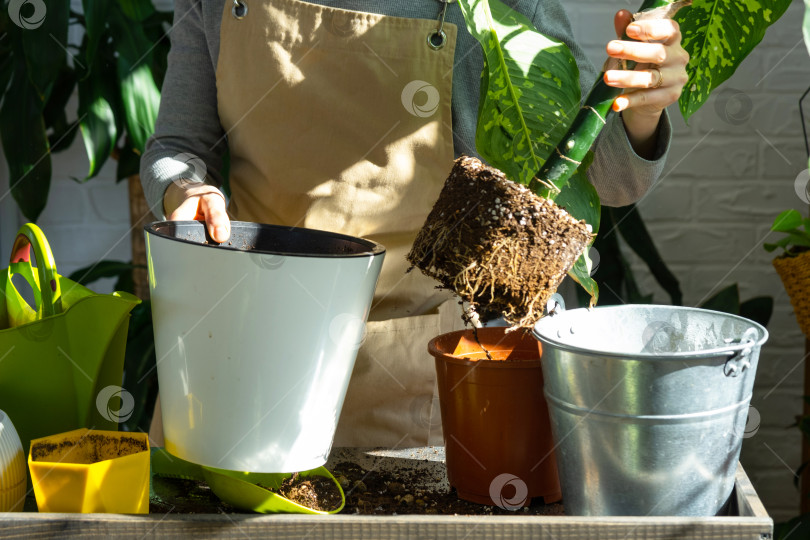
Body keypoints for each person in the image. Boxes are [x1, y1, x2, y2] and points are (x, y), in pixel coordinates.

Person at [141, 0, 689, 448]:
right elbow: (178, 145)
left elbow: (605, 184)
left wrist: (641, 112)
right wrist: (186, 190)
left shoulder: (501, 6)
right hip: (250, 353)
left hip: (430, 371)